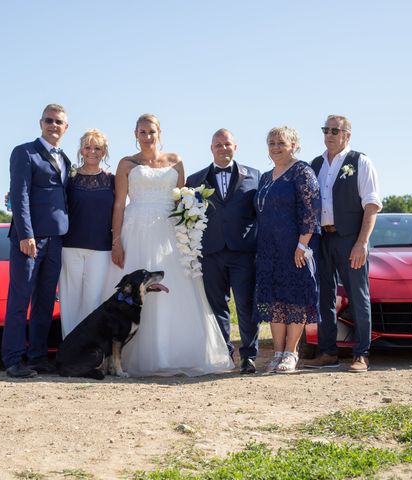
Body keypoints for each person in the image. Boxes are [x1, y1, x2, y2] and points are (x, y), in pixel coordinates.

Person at [108, 113, 234, 377]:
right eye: (142, 132)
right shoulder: (126, 164)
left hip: (168, 233)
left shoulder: (176, 161)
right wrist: (116, 241)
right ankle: (130, 356)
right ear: (135, 135)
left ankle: (177, 352)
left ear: (159, 133)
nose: (147, 136)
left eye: (151, 132)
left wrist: (188, 231)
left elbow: (180, 202)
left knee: (175, 288)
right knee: (136, 291)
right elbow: (119, 203)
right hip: (137, 230)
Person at [304, 114, 382, 373]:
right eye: (326, 129)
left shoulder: (360, 161)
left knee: (358, 295)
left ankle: (361, 354)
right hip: (321, 238)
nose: (329, 134)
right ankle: (328, 352)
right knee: (323, 296)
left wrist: (362, 242)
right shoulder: (315, 164)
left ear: (347, 135)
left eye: (335, 131)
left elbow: (371, 205)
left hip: (350, 238)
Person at [2, 104, 71, 378]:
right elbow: (19, 196)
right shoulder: (24, 152)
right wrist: (26, 234)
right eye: (49, 120)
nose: (53, 125)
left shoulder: (65, 159)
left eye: (59, 122)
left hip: (57, 239)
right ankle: (13, 359)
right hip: (29, 240)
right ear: (40, 123)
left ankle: (38, 356)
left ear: (66, 127)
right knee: (20, 299)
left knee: (44, 301)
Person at [186, 129, 261, 374]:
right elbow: (187, 217)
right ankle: (225, 353)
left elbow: (260, 214)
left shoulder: (255, 176)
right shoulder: (195, 180)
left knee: (245, 305)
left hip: (243, 251)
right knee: (217, 305)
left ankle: (249, 355)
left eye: (227, 144)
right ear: (211, 148)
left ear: (235, 147)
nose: (223, 148)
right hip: (211, 252)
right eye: (218, 145)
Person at [254, 127, 321, 374]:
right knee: (274, 301)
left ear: (294, 145)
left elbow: (311, 209)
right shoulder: (265, 177)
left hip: (295, 248)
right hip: (268, 249)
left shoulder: (302, 172)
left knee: (294, 300)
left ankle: (291, 353)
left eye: (281, 142)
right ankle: (278, 351)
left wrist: (303, 244)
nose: (275, 147)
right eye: (271, 142)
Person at [58, 129, 115, 338]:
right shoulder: (69, 178)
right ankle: (69, 350)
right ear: (81, 150)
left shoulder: (112, 180)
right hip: (70, 246)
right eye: (88, 147)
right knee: (70, 299)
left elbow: (122, 211)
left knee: (94, 301)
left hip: (101, 249)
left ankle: (89, 351)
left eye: (97, 148)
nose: (92, 151)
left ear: (104, 152)